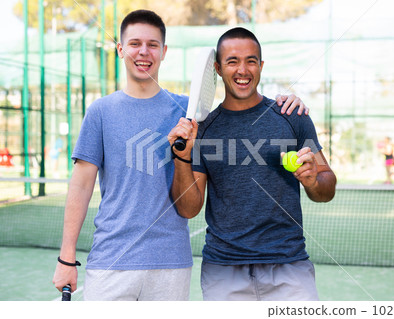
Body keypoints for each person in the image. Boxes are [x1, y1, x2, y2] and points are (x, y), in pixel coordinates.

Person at [52, 10, 310, 301]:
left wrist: (287, 102)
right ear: (120, 49)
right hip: (111, 262)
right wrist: (66, 258)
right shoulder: (100, 112)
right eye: (135, 43)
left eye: (152, 44)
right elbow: (81, 185)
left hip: (172, 265)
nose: (143, 52)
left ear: (164, 52)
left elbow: (240, 112)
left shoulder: (192, 113)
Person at [168, 27, 336, 301]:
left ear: (261, 66)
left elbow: (327, 188)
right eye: (232, 61)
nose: (242, 70)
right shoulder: (203, 129)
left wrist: (314, 180)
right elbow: (189, 209)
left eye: (251, 61)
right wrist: (182, 157)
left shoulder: (292, 116)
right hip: (223, 272)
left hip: (289, 268)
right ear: (218, 69)